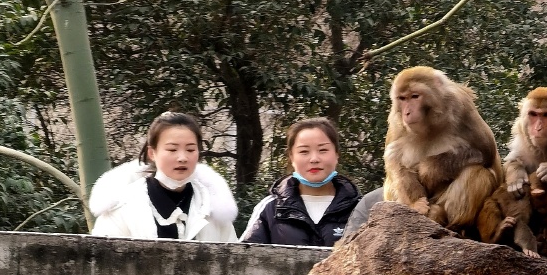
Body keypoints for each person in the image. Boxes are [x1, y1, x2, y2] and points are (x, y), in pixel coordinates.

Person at [89, 112, 238, 241]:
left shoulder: (213, 208)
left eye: (191, 149)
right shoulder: (123, 207)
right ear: (152, 153)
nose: (182, 157)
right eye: (172, 149)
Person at [241, 118, 359, 246]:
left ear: (337, 154)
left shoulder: (360, 208)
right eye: (304, 151)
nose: (314, 159)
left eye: (323, 150)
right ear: (291, 157)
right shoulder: (270, 208)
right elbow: (243, 257)